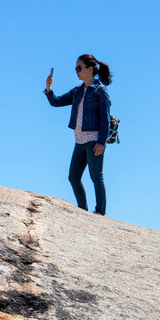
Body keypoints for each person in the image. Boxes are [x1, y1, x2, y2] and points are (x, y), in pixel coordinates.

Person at [44, 54, 112, 215]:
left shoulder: (100, 91)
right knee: (73, 177)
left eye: (79, 68)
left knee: (96, 177)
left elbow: (106, 119)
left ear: (90, 69)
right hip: (79, 141)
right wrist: (48, 89)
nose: (76, 71)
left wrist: (101, 142)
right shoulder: (77, 91)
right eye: (76, 68)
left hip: (94, 139)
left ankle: (100, 212)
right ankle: (83, 211)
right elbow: (56, 102)